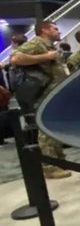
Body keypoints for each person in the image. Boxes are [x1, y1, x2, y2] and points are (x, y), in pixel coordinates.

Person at [9, 21, 71, 179]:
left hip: (53, 94)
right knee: (45, 130)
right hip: (43, 95)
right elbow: (15, 58)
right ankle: (49, 167)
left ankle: (59, 161)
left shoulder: (50, 45)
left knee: (54, 128)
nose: (58, 31)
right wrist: (46, 56)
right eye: (55, 29)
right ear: (44, 30)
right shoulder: (37, 43)